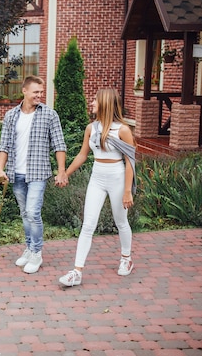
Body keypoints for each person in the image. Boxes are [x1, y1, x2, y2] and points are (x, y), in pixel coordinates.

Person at [55, 88, 136, 287]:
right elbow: (83, 155)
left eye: (95, 101)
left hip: (117, 177)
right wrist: (65, 173)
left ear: (106, 104)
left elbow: (130, 162)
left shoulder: (122, 130)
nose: (91, 103)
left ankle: (126, 258)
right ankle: (77, 271)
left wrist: (127, 191)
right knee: (88, 224)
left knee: (121, 221)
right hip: (97, 177)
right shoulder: (91, 128)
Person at [0, 75, 67, 274]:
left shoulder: (49, 115)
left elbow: (59, 145)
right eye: (36, 92)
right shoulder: (11, 116)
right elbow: (4, 146)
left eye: (41, 92)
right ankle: (29, 248)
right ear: (25, 91)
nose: (39, 95)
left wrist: (61, 171)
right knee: (24, 214)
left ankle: (36, 252)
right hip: (16, 173)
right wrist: (1, 169)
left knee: (33, 214)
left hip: (37, 173)